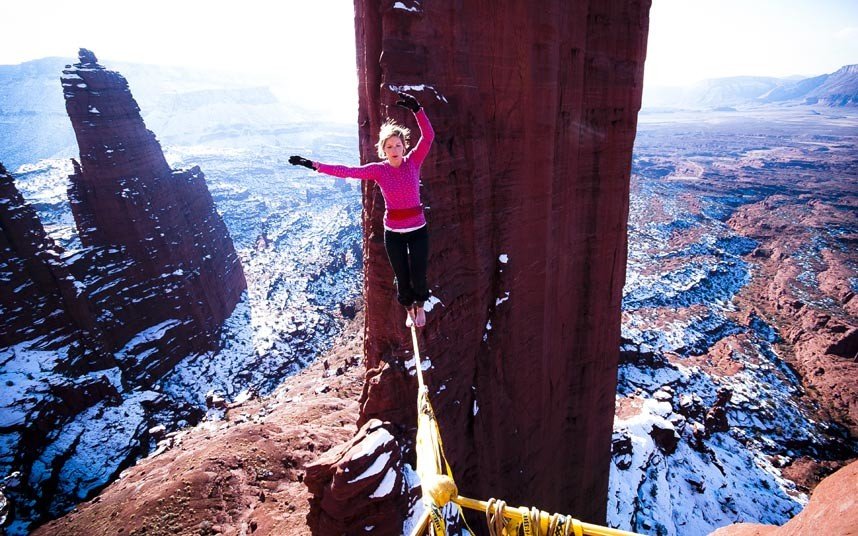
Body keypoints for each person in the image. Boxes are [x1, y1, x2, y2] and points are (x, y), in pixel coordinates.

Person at [289, 91, 434, 328]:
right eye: (390, 146)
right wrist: (312, 165)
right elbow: (347, 171)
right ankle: (409, 310)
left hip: (418, 230)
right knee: (402, 278)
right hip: (394, 233)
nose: (395, 149)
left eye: (398, 145)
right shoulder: (379, 170)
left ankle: (420, 308)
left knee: (419, 274)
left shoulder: (414, 161)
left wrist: (418, 110)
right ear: (383, 150)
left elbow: (428, 137)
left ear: (405, 147)